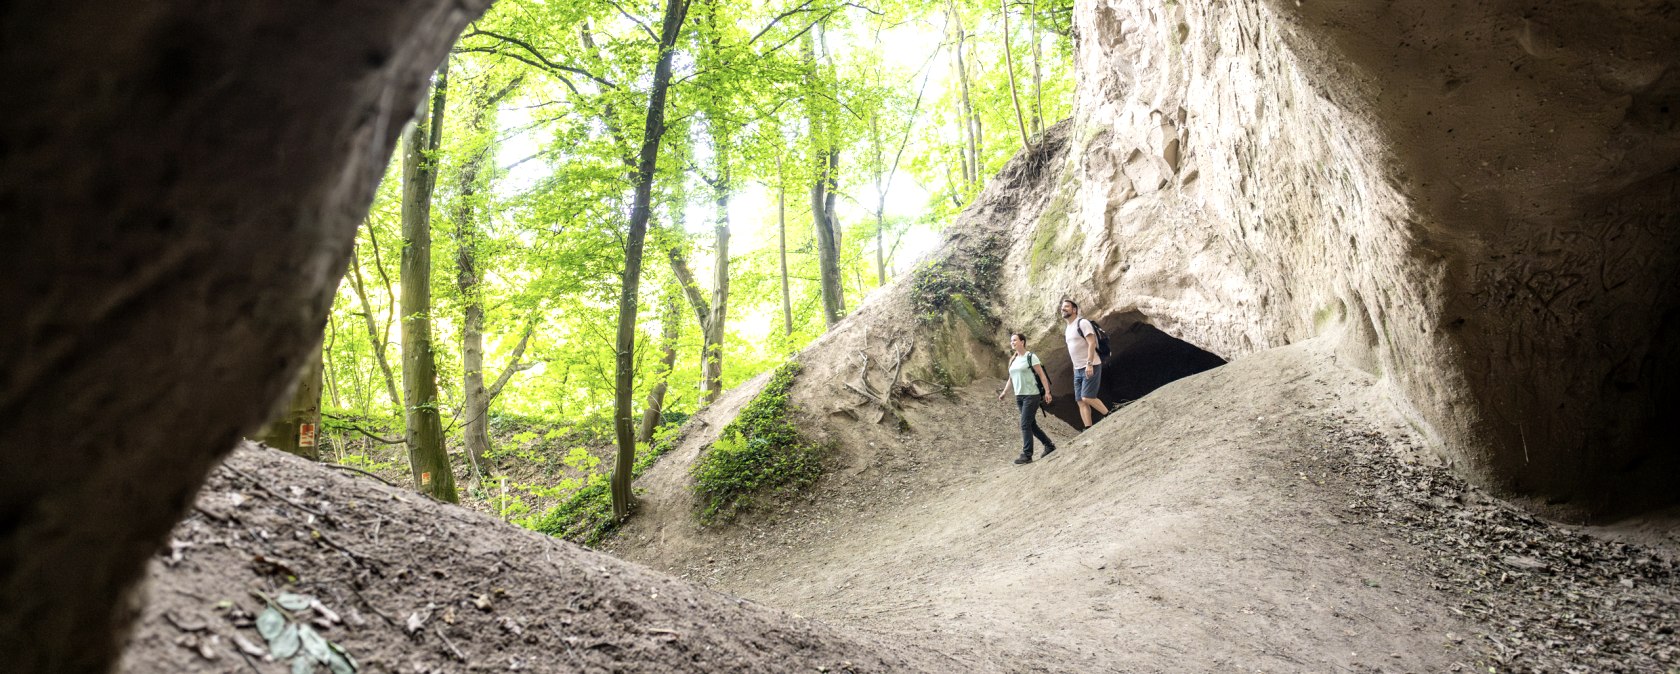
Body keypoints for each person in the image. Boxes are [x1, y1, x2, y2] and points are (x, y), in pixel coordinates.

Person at [997, 332, 1056, 464]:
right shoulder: (1013, 359)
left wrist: (1047, 392)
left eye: (1015, 340)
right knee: (1031, 425)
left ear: (1022, 342)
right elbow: (1011, 378)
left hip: (1032, 395)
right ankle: (1049, 445)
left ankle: (1027, 454)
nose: (1012, 343)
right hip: (1019, 396)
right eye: (1011, 341)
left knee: (1024, 424)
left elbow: (1041, 375)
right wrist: (1005, 392)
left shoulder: (1031, 357)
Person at [1060, 299, 1111, 430]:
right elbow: (1073, 351)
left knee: (1087, 396)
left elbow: (1092, 343)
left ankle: (1109, 414)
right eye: (1062, 307)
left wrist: (1089, 363)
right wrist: (1074, 369)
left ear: (1074, 310)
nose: (1063, 309)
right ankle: (1088, 427)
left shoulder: (1082, 323)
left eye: (1066, 307)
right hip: (1077, 369)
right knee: (1080, 401)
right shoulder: (1068, 329)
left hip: (1091, 364)